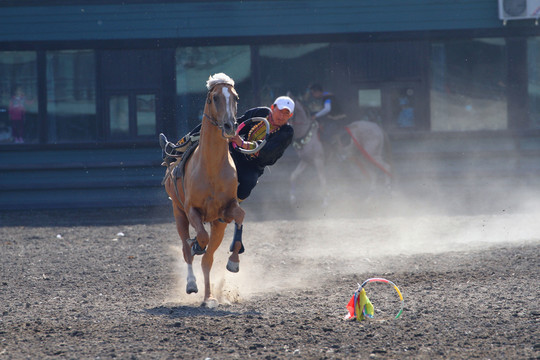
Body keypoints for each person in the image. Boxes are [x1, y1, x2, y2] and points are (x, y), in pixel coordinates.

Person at [159, 96, 295, 259]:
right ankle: (177, 149)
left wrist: (241, 142)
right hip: (233, 150)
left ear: (290, 117)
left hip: (253, 164)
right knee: (208, 129)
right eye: (280, 111)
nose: (282, 116)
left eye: (286, 114)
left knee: (247, 182)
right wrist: (231, 131)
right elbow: (240, 121)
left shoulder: (287, 133)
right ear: (273, 107)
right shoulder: (260, 112)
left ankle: (229, 210)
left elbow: (266, 152)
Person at [308, 83, 347, 151]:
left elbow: (327, 109)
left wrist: (315, 116)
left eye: (313, 93)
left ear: (318, 92)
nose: (313, 95)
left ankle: (336, 150)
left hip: (337, 120)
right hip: (333, 120)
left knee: (326, 136)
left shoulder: (328, 97)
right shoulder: (325, 97)